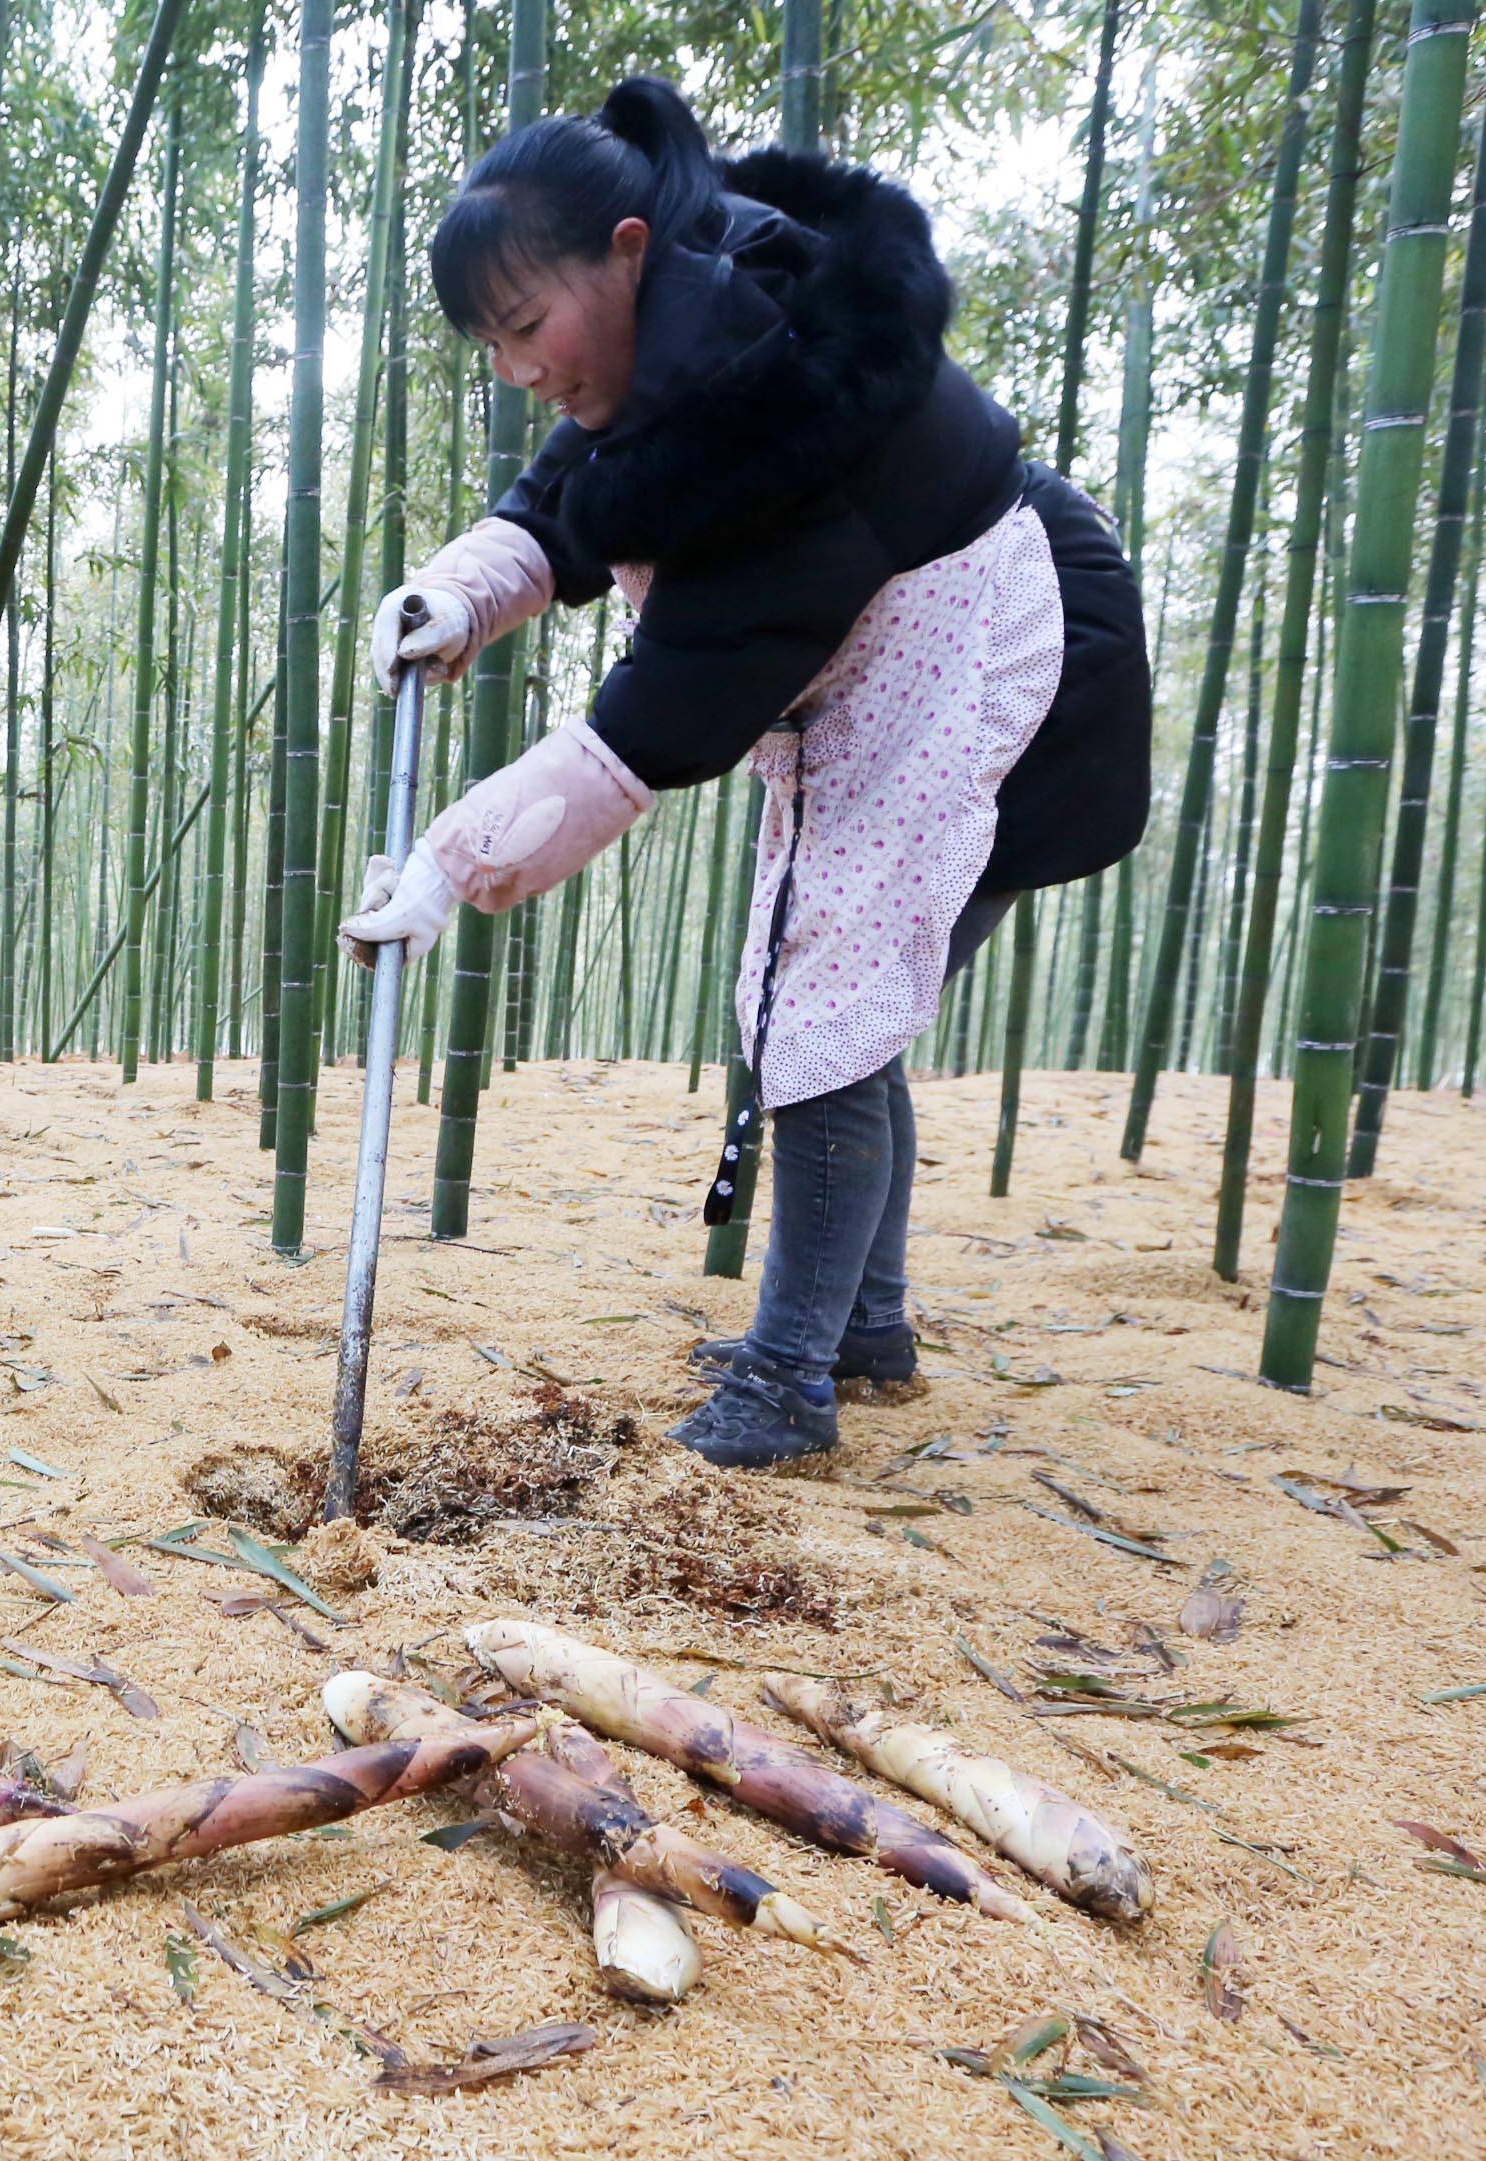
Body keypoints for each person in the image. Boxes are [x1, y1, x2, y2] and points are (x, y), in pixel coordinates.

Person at [344, 77, 1150, 1468]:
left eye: (527, 326)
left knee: (825, 1009)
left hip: (1011, 673)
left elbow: (664, 713)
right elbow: (581, 496)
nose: (518, 370)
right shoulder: (673, 340)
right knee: (844, 996)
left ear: (631, 249)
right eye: (491, 344)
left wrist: (446, 866)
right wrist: (461, 592)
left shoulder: (789, 397)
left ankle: (790, 1386)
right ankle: (865, 1325)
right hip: (897, 665)